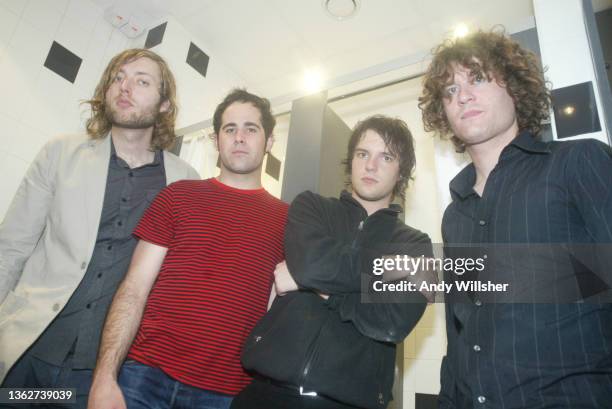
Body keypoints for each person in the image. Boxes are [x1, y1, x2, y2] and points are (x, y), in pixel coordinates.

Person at [418, 30, 612, 408]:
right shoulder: (454, 216)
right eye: (450, 90)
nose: (463, 95)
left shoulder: (578, 163)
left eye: (476, 78)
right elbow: (460, 336)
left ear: (514, 87)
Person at [0, 48, 199, 408]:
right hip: (25, 352)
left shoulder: (184, 182)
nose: (125, 87)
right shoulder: (60, 153)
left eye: (142, 81)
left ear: (165, 104)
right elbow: (11, 249)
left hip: (97, 378)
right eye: (118, 78)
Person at [87, 88, 288, 409]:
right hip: (143, 375)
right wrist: (104, 377)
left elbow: (278, 313)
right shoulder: (178, 196)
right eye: (229, 128)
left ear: (270, 141)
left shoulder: (288, 220)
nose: (239, 138)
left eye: (251, 129)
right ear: (215, 139)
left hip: (226, 392)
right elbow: (134, 288)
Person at [233, 115, 433, 409]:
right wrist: (390, 268)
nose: (370, 165)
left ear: (401, 172)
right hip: (265, 394)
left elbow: (393, 320)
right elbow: (313, 264)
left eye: (386, 157)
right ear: (351, 160)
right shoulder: (311, 206)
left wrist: (309, 282)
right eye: (363, 154)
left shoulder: (416, 244)